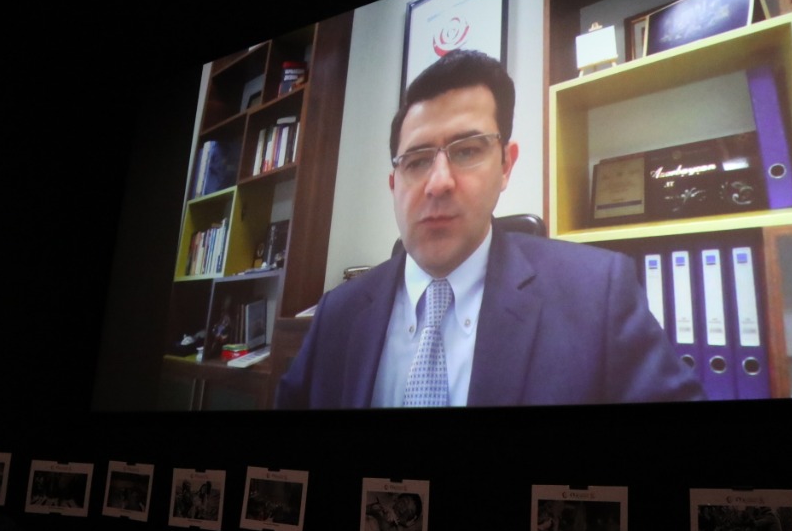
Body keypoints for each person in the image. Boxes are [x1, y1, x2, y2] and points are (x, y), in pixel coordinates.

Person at [276, 49, 704, 409]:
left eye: (466, 151)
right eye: (417, 161)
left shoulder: (598, 294)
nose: (438, 182)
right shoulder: (337, 313)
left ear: (506, 166)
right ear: (394, 184)